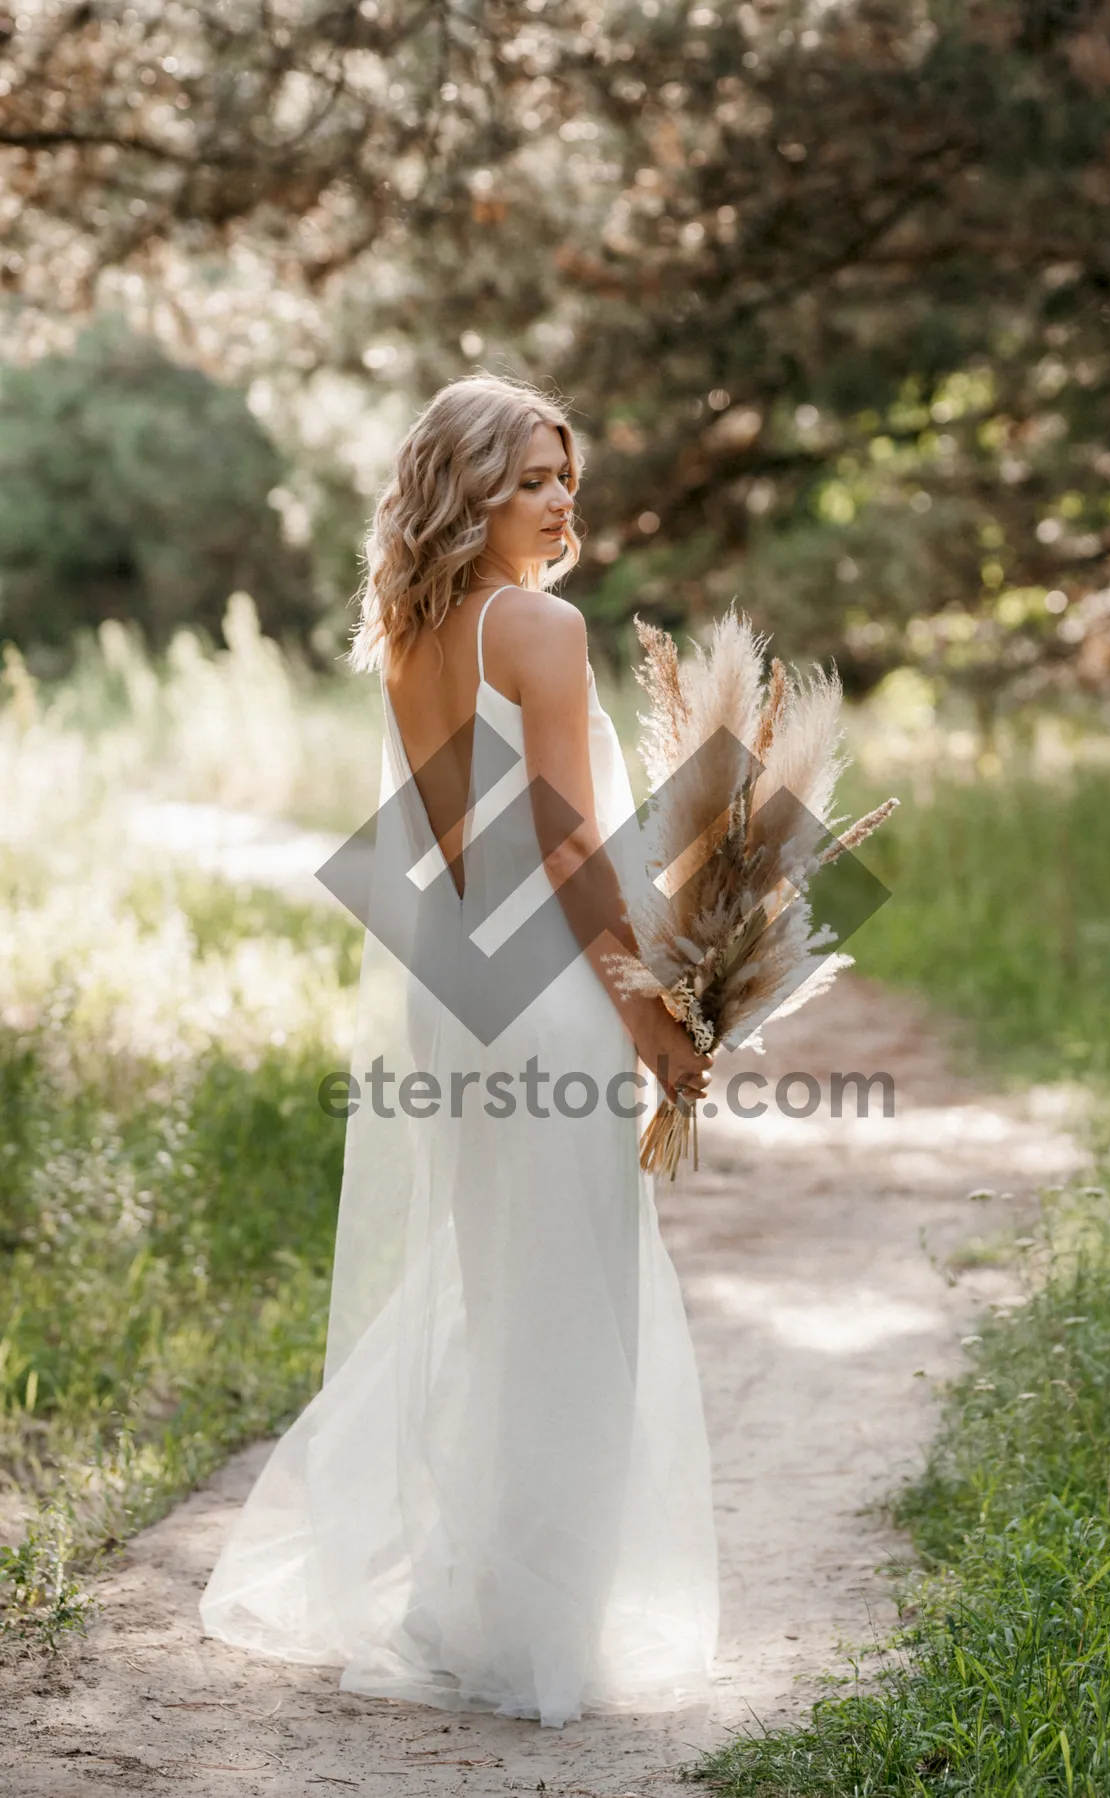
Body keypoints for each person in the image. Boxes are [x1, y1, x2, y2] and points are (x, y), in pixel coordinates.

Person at [199, 373, 720, 1728]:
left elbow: (453, 860)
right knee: (567, 1295)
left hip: (464, 994)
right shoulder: (539, 627)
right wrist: (656, 1017)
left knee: (505, 1289)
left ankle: (482, 1597)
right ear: (469, 487)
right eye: (534, 478)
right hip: (549, 996)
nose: (560, 503)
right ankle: (537, 1631)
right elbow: (567, 851)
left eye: (566, 479)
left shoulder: (414, 631)